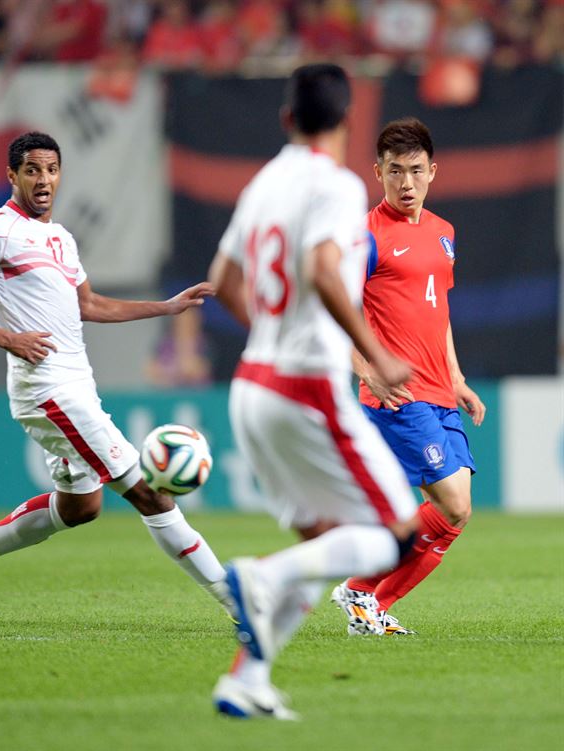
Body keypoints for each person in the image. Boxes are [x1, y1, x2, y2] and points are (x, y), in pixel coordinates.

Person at [0, 131, 232, 628]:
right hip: (47, 389)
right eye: (32, 170)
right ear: (12, 176)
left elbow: (90, 305)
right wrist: (9, 339)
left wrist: (168, 307)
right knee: (150, 495)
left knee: (80, 507)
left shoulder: (61, 237)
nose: (43, 179)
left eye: (51, 169)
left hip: (74, 386)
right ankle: (238, 603)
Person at [207, 63, 419, 720]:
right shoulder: (335, 186)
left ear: (286, 119)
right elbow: (325, 270)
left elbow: (223, 281)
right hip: (305, 386)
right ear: (347, 119)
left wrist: (273, 328)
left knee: (322, 541)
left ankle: (250, 677)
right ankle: (259, 577)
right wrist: (377, 354)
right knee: (398, 532)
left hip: (253, 383)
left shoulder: (263, 182)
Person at [331, 117, 486, 636]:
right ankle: (358, 590)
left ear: (433, 172)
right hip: (399, 396)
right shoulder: (366, 236)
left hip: (440, 392)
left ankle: (367, 601)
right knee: (453, 502)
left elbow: (437, 311)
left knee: (454, 517)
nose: (406, 184)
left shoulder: (444, 234)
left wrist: (458, 378)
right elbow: (332, 313)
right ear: (377, 173)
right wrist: (366, 371)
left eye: (416, 171)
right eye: (395, 172)